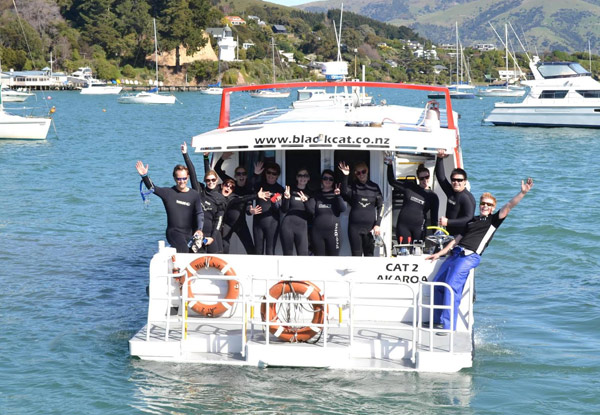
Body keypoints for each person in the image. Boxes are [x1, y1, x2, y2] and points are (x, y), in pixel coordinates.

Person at [426, 178, 534, 332]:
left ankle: (448, 326)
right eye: (483, 203)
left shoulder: (493, 221)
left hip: (470, 256)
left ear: (493, 208)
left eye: (489, 205)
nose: (485, 206)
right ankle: (436, 320)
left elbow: (509, 206)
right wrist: (439, 254)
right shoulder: (472, 221)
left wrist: (522, 193)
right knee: (437, 284)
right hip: (456, 254)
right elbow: (456, 240)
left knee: (451, 286)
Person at [135, 160, 204, 253]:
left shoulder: (194, 194)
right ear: (174, 179)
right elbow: (153, 188)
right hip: (174, 233)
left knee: (200, 251)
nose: (182, 181)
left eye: (184, 178)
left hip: (189, 233)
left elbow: (199, 213)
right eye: (179, 179)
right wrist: (144, 176)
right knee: (183, 249)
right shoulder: (168, 193)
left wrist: (199, 230)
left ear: (188, 177)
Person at [384, 156, 439, 248]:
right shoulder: (410, 187)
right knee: (403, 251)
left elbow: (434, 219)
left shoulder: (433, 197)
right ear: (418, 179)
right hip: (403, 226)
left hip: (419, 228)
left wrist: (436, 235)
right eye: (422, 178)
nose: (425, 180)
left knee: (417, 251)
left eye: (427, 177)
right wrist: (390, 165)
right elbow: (392, 181)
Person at [181, 144, 226, 253]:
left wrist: (213, 237)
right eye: (208, 180)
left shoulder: (220, 198)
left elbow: (218, 221)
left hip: (212, 236)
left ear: (216, 180)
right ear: (205, 181)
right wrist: (185, 154)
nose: (211, 182)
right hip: (198, 234)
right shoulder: (199, 192)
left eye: (213, 180)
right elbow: (192, 174)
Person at [213, 152, 256, 254]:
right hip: (227, 222)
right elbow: (217, 169)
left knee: (251, 249)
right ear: (235, 176)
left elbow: (248, 210)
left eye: (244, 174)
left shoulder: (248, 188)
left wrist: (251, 211)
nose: (241, 176)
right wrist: (222, 158)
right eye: (239, 174)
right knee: (224, 245)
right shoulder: (231, 184)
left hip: (241, 223)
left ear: (246, 176)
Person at [338, 161, 383, 256]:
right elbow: (344, 193)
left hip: (370, 227)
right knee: (356, 255)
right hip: (354, 227)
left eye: (363, 171)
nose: (361, 174)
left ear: (367, 171)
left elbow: (381, 206)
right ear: (355, 174)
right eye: (358, 173)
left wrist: (377, 224)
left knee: (369, 255)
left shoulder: (374, 187)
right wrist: (345, 176)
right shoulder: (353, 186)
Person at [435, 149, 476, 236]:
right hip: (449, 232)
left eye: (459, 180)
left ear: (465, 181)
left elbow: (468, 218)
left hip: (461, 235)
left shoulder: (466, 198)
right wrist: (439, 158)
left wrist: (448, 222)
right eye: (453, 180)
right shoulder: (451, 191)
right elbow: (440, 177)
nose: (456, 182)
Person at [306, 170, 346, 256]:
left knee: (333, 261)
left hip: (334, 232)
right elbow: (311, 211)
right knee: (319, 261)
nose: (328, 181)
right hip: (317, 233)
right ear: (321, 180)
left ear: (333, 181)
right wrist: (306, 202)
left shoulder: (336, 193)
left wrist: (338, 196)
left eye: (330, 179)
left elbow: (342, 209)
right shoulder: (316, 194)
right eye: (325, 178)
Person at [251, 161, 284, 255]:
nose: (271, 175)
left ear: (277, 176)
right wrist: (255, 174)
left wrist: (275, 200)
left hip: (272, 224)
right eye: (268, 172)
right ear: (265, 173)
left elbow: (278, 208)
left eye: (274, 173)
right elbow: (249, 190)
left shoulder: (280, 189)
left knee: (270, 252)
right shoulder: (259, 186)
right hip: (258, 223)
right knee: (258, 251)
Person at [280, 168, 312, 255]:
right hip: (288, 225)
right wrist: (286, 199)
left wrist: (305, 202)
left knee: (303, 255)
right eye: (300, 175)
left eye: (305, 175)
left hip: (302, 227)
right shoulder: (290, 191)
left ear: (308, 178)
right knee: (288, 255)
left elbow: (311, 213)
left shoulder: (310, 193)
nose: (302, 178)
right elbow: (284, 210)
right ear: (296, 178)